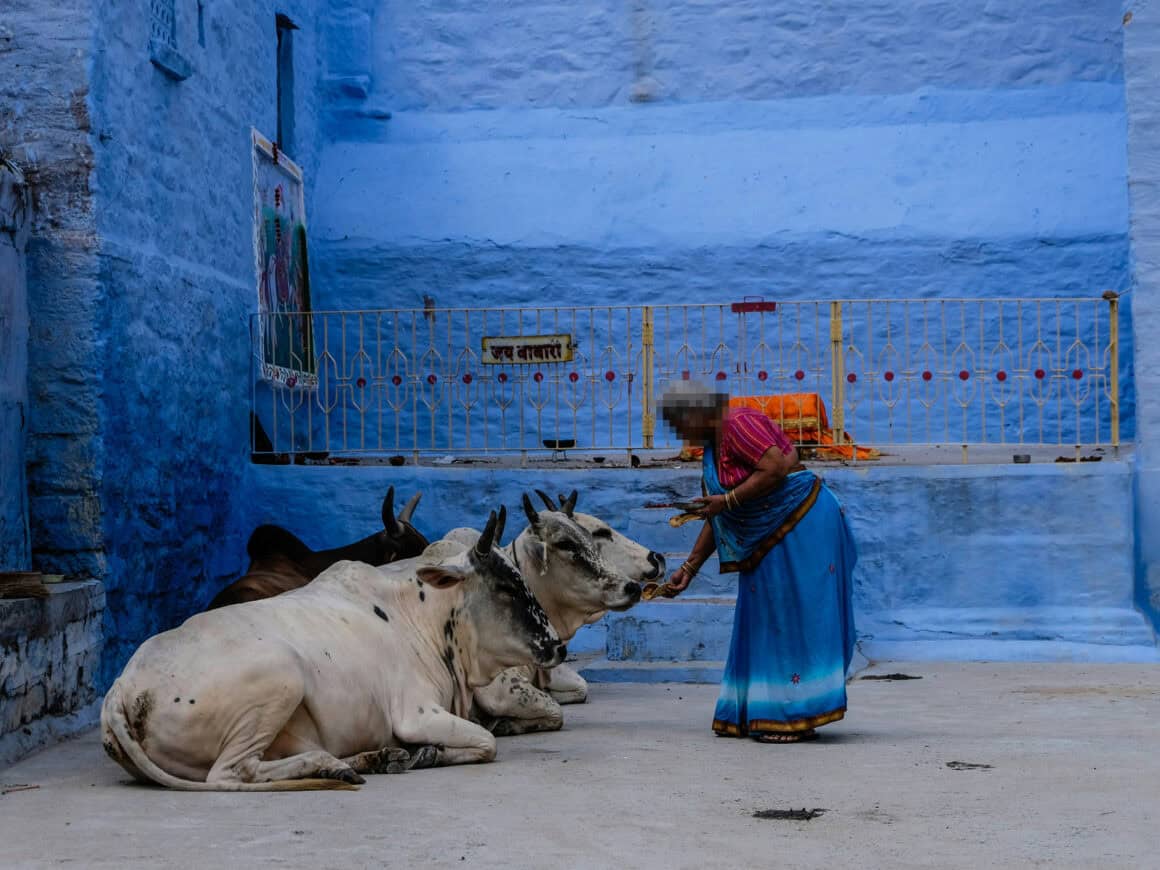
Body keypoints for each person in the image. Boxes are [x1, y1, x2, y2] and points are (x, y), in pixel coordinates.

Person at [659, 381, 857, 743]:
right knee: (764, 617)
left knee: (793, 616)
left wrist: (728, 500)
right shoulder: (712, 448)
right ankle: (761, 708)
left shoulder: (737, 423)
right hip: (764, 533)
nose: (681, 434)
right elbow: (717, 514)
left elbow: (775, 468)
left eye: (682, 423)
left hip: (801, 519)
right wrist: (688, 569)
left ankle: (797, 715)